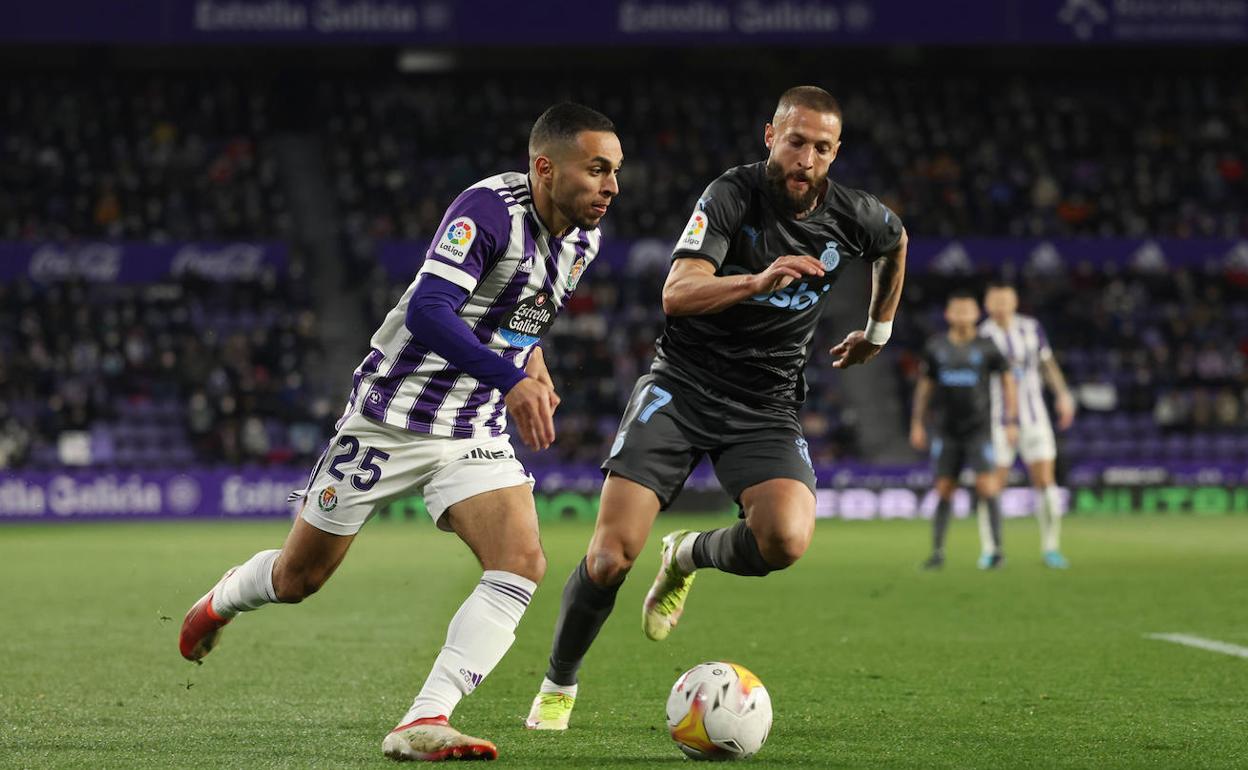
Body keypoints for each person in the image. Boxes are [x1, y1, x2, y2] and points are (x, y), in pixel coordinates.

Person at [178, 103, 623, 762]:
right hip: (390, 416)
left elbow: (524, 309)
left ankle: (425, 716)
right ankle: (221, 599)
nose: (610, 186)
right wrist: (510, 380)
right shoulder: (488, 212)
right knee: (300, 578)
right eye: (596, 170)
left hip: (470, 423)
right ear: (545, 168)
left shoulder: (585, 238)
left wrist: (532, 361)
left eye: (616, 171)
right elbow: (429, 309)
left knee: (522, 561)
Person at [523, 85, 908, 731]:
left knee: (785, 539)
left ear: (835, 152)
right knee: (610, 557)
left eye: (821, 147)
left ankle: (687, 557)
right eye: (795, 141)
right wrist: (757, 280)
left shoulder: (857, 215)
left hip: (766, 403)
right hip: (681, 388)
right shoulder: (730, 193)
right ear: (770, 136)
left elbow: (895, 244)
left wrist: (878, 331)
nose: (805, 158)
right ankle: (559, 683)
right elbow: (677, 293)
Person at [910, 290, 1017, 570]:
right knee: (944, 489)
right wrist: (917, 423)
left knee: (987, 486)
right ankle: (937, 553)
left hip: (979, 430)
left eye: (966, 310)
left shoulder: (988, 346)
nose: (961, 315)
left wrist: (1011, 420)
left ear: (976, 313)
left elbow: (1008, 381)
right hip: (946, 431)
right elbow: (925, 387)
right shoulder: (936, 347)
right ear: (948, 314)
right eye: (956, 310)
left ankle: (996, 551)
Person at [980, 281, 1076, 568]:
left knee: (1045, 482)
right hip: (997, 422)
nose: (1000, 306)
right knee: (993, 484)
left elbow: (1047, 364)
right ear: (987, 305)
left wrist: (1062, 395)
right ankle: (991, 549)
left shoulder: (1031, 328)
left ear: (1014, 302)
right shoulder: (982, 335)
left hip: (1035, 419)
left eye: (1005, 301)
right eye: (995, 301)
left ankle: (1051, 547)